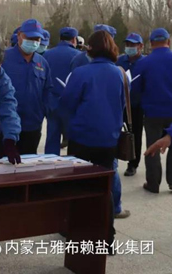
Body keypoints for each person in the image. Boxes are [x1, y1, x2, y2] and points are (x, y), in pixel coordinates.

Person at [61, 30, 127, 247]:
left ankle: (76, 233)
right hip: (108, 140)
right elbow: (122, 104)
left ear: (90, 48)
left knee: (78, 186)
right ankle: (107, 237)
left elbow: (67, 103)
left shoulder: (81, 73)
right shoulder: (118, 73)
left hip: (82, 138)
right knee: (104, 189)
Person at [2, 19, 54, 155]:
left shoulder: (42, 63)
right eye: (29, 38)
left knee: (29, 162)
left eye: (37, 39)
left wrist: (45, 111)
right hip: (5, 125)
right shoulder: (4, 58)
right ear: (19, 35)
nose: (33, 42)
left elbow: (47, 90)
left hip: (32, 125)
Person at [132, 28, 172, 193]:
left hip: (152, 112)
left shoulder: (143, 63)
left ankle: (153, 183)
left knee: (153, 147)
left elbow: (135, 89)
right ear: (168, 41)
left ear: (150, 43)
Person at [42, 27, 81, 154]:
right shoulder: (78, 56)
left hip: (52, 101)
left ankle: (50, 162)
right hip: (71, 103)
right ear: (74, 39)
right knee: (74, 139)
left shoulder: (47, 54)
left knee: (52, 136)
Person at [116, 33, 145, 177]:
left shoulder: (145, 62)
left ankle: (133, 164)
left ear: (141, 46)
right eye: (128, 45)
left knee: (135, 135)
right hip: (119, 103)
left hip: (137, 104)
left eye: (133, 45)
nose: (129, 47)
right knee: (115, 132)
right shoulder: (119, 60)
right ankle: (112, 160)